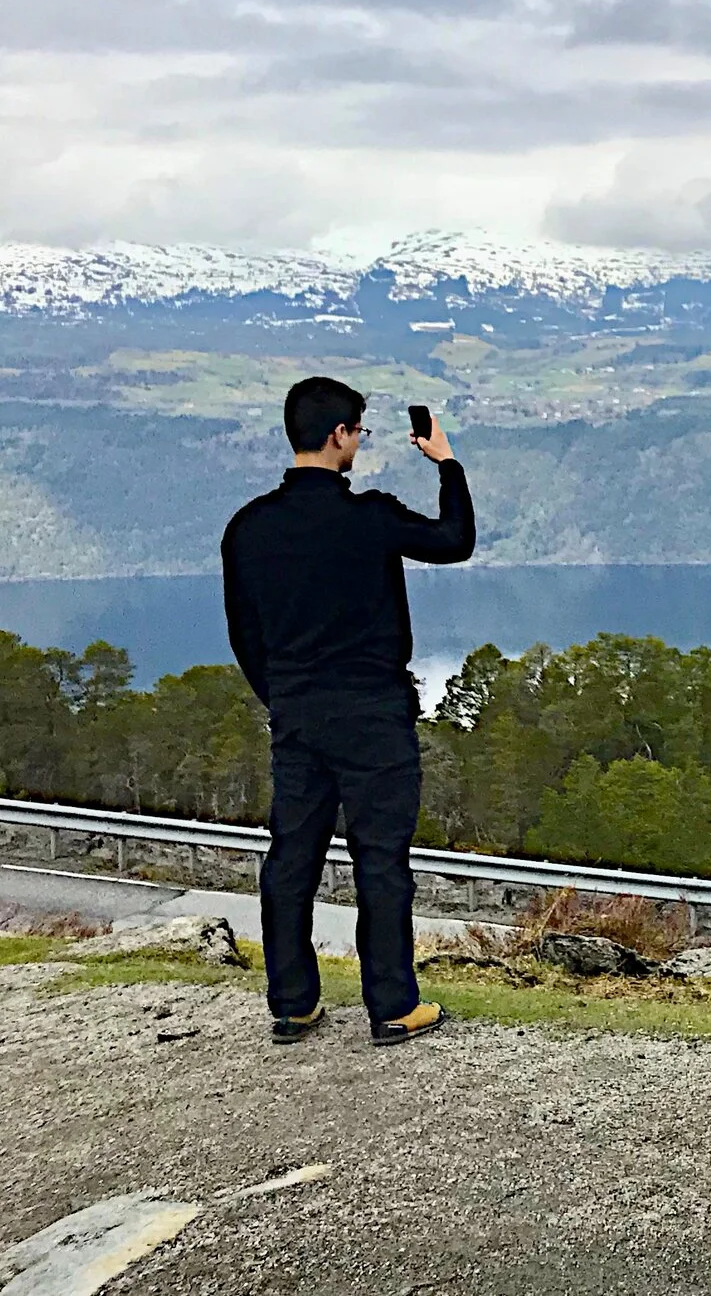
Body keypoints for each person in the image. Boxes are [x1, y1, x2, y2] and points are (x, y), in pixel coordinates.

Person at [221, 377, 475, 1045]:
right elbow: (455, 540)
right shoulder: (370, 517)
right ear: (340, 435)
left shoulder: (247, 529)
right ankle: (393, 1007)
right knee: (381, 862)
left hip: (298, 716)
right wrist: (446, 463)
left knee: (290, 861)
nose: (359, 442)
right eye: (359, 431)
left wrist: (284, 699)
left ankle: (292, 1004)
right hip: (374, 715)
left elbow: (243, 635)